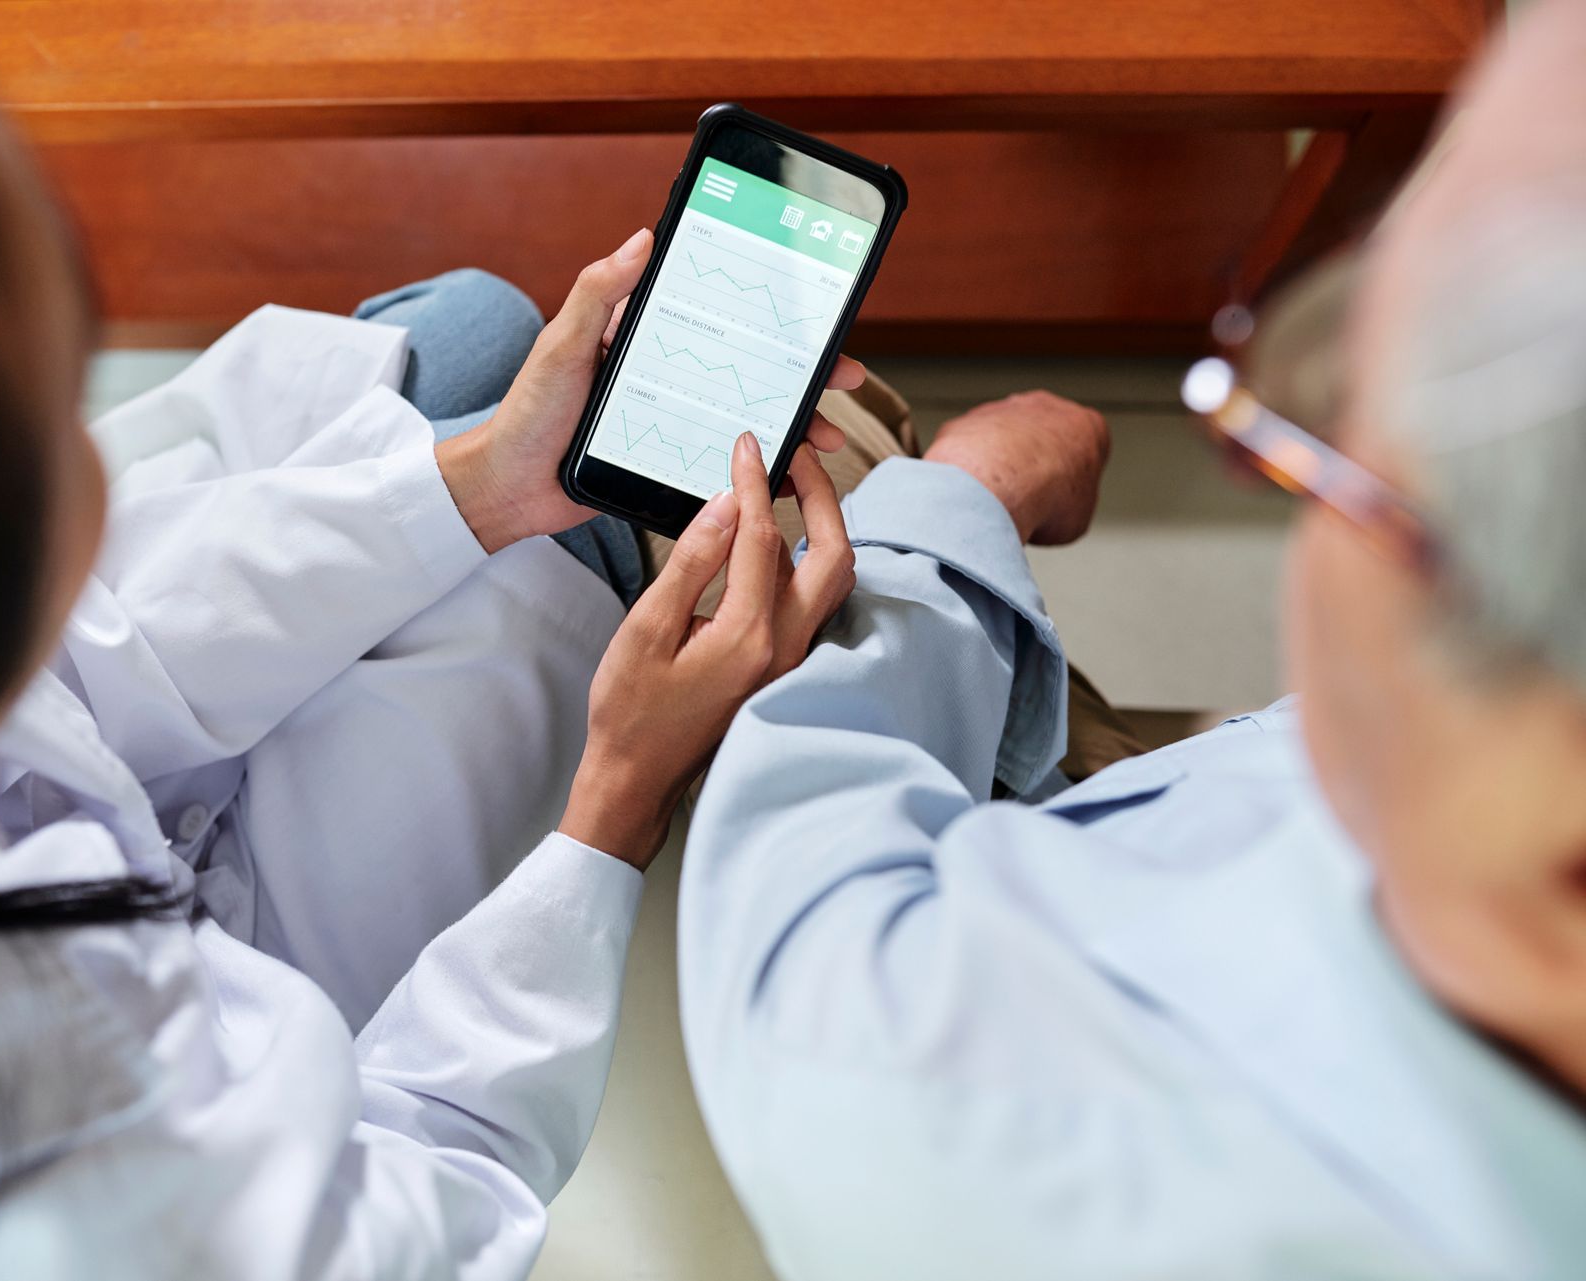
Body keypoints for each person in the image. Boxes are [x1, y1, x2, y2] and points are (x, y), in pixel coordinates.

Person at [0, 0, 858, 1276]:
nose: (88, 443)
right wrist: (621, 799)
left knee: (475, 343)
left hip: (133, 890)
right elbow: (442, 1183)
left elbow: (89, 677)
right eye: (61, 390)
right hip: (302, 1059)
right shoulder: (88, 1166)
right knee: (593, 535)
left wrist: (479, 487)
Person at [677, 1, 1586, 1277]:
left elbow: (803, 895)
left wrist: (967, 493)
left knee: (770, 486)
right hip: (1135, 801)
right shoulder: (1471, 834)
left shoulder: (949, 1121)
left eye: (1320, 427)